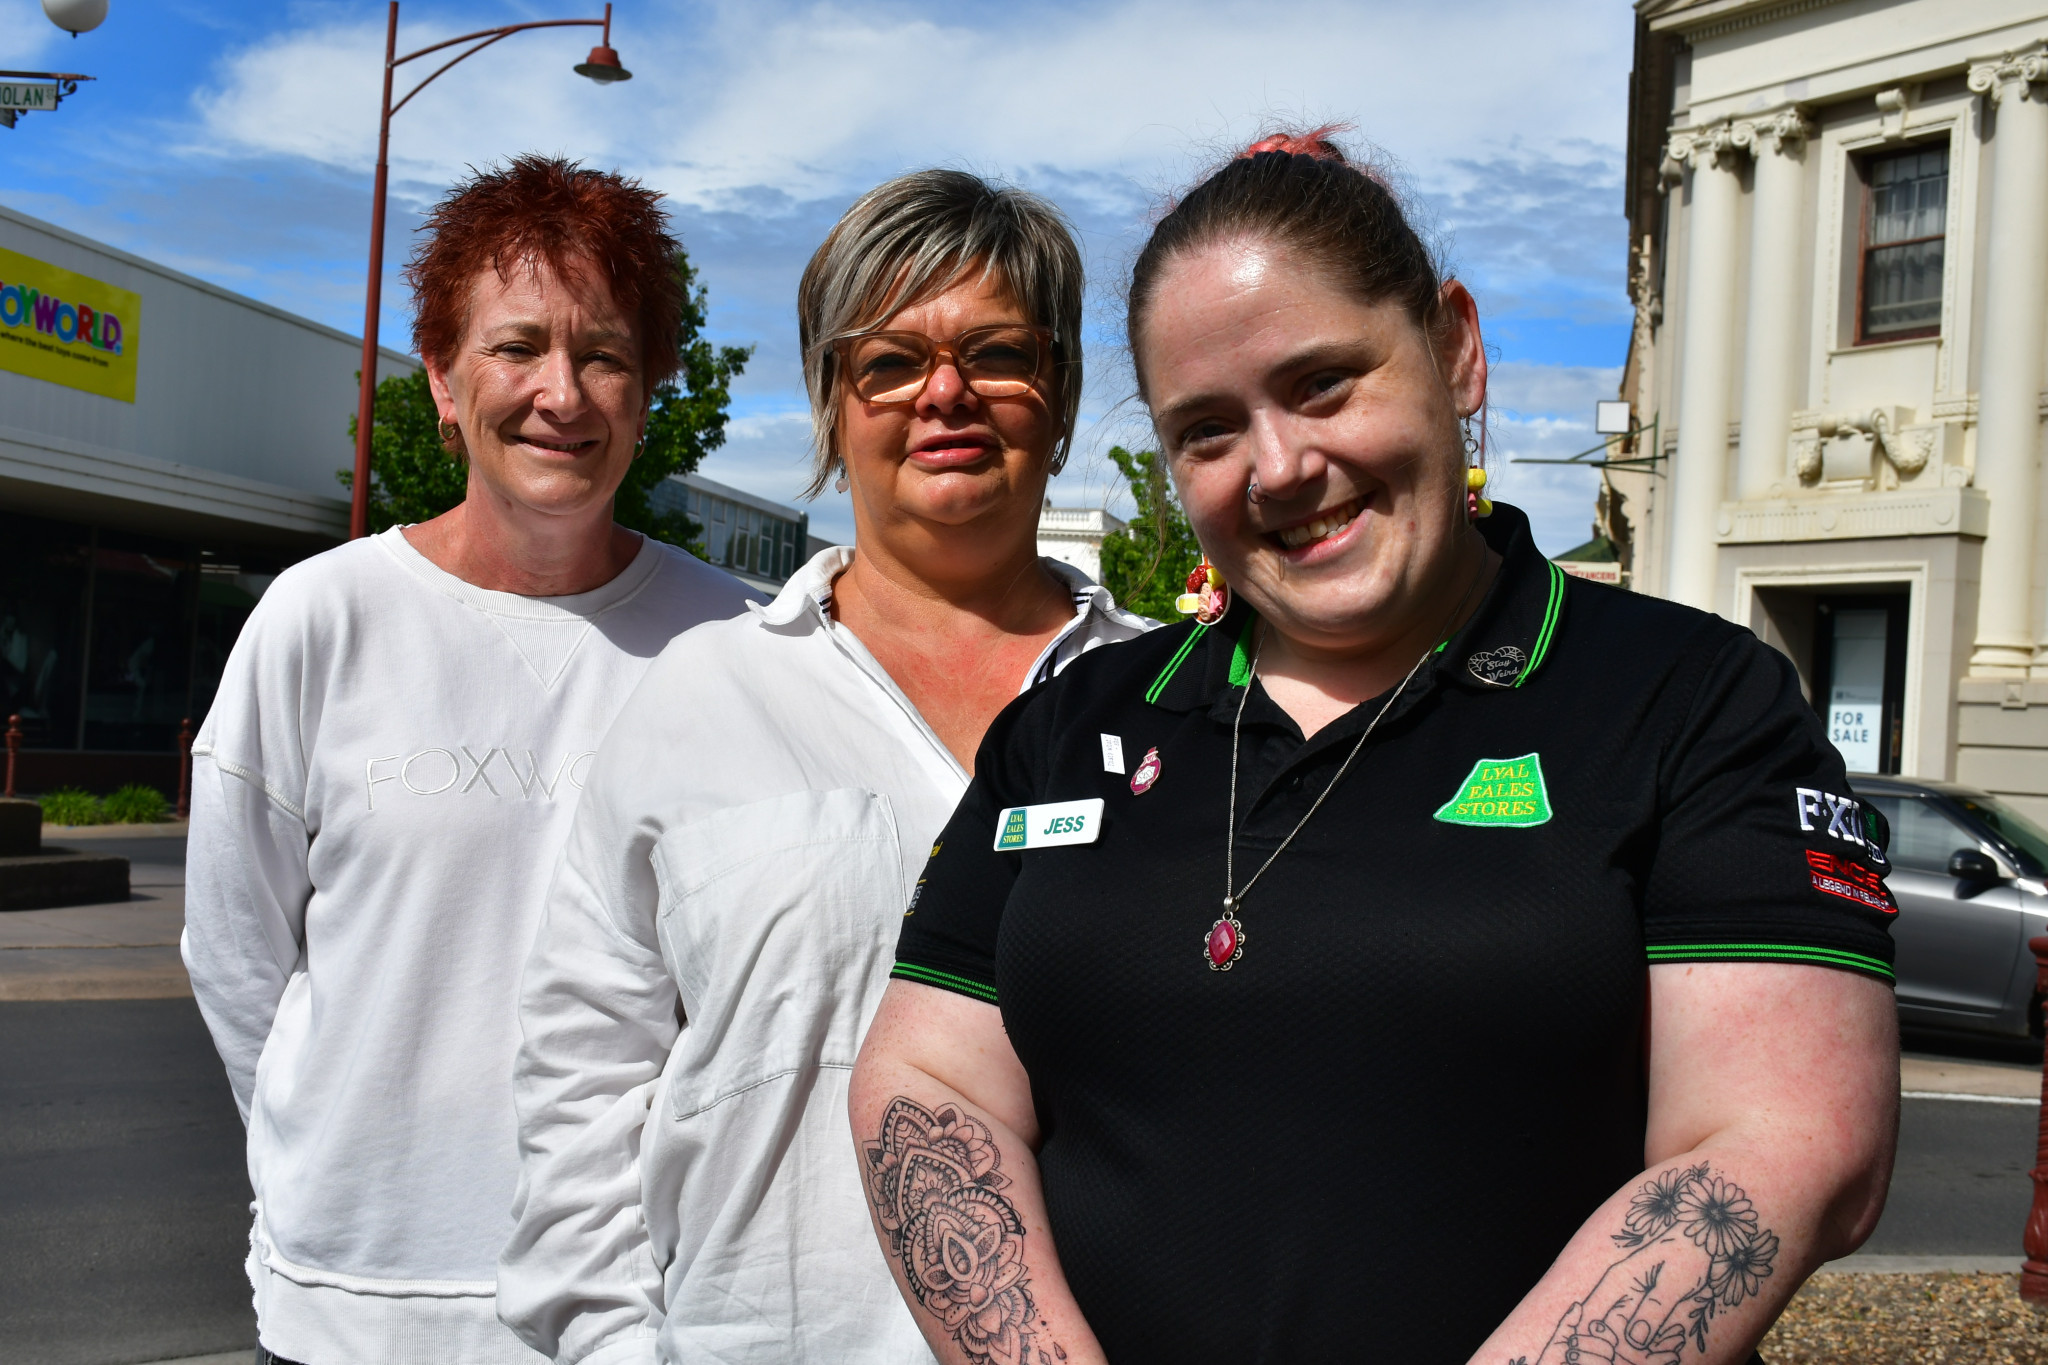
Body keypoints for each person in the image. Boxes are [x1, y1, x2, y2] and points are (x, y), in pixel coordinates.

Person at [852, 129, 1900, 1365]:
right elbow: (930, 1086)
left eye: (1322, 384)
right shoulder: (1072, 726)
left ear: (1452, 348)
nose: (1280, 467)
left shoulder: (1688, 701)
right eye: (1206, 431)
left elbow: (1780, 1143)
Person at [496, 169, 1152, 1364]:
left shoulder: (1183, 704)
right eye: (888, 361)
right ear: (830, 403)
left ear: (1056, 399)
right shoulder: (698, 701)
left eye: (996, 352)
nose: (943, 393)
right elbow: (580, 1082)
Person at [182, 156, 759, 1365]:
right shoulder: (322, 620)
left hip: (633, 1309)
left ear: (649, 391)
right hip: (354, 1304)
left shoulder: (735, 643)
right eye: (516, 348)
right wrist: (328, 1148)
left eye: (604, 354)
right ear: (442, 380)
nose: (563, 393)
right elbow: (236, 955)